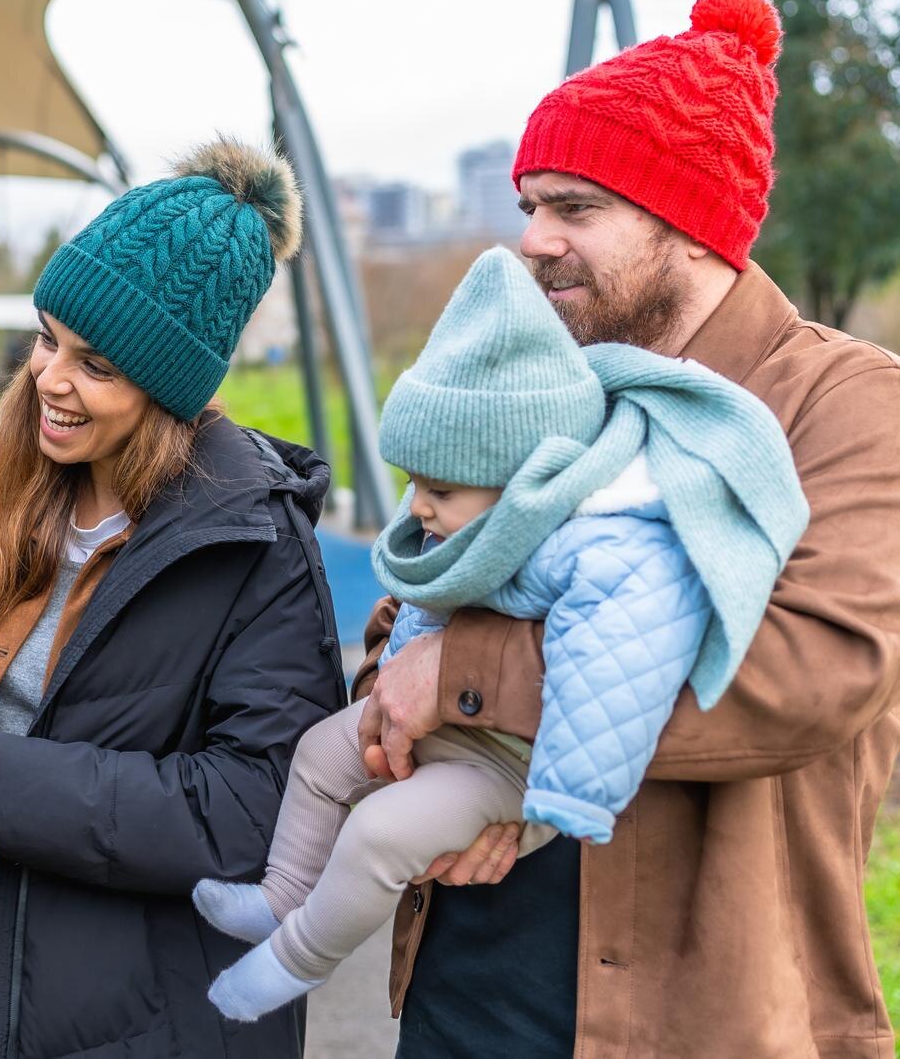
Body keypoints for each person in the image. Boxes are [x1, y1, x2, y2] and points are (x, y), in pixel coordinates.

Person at [355, 0, 900, 1056]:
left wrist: (466, 677)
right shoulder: (541, 388)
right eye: (529, 204)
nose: (532, 241)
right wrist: (419, 731)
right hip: (463, 994)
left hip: (700, 1020)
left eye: (574, 208)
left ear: (688, 225)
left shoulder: (850, 408)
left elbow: (809, 671)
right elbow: (408, 609)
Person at [193, 247, 807, 1021]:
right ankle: (281, 895)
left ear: (518, 478)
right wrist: (389, 687)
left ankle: (293, 961)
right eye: (414, 483)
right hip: (447, 729)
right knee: (319, 752)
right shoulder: (472, 523)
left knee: (380, 834)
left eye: (438, 489)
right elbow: (420, 612)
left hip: (516, 767)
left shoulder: (606, 543)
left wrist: (563, 797)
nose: (417, 505)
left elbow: (617, 663)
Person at [0, 139, 348, 1058]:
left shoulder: (258, 547)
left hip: (160, 1019)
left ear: (172, 390)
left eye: (99, 366)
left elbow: (249, 811)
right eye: (48, 338)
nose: (50, 378)